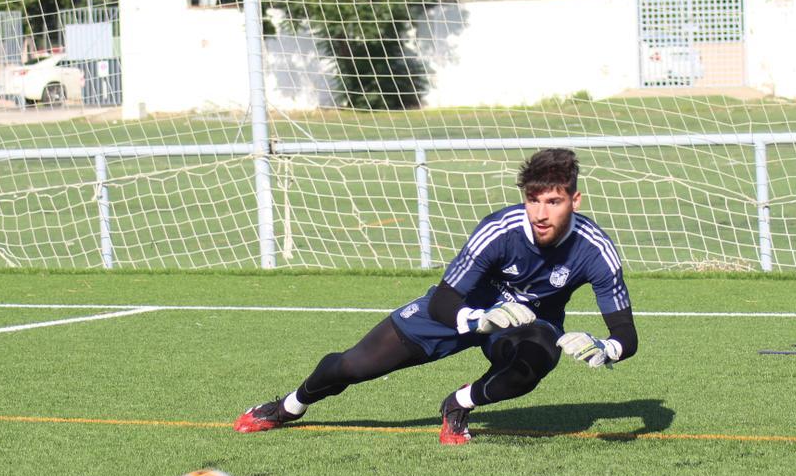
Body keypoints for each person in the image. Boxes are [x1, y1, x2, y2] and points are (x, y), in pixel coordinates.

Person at [234, 148, 638, 444]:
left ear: (575, 200)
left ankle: (459, 403)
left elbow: (626, 334)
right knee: (351, 366)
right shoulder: (500, 230)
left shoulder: (595, 249)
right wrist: (476, 319)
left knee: (534, 361)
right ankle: (290, 406)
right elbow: (445, 299)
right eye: (533, 200)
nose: (540, 214)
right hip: (460, 310)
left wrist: (606, 349)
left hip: (525, 326)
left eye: (553, 201)